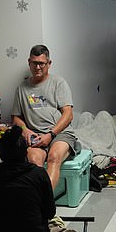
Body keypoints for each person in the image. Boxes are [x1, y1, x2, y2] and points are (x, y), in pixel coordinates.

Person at [11, 45, 78, 190]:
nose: (38, 67)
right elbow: (16, 118)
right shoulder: (22, 88)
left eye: (42, 63)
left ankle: (44, 203)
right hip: (36, 136)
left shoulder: (58, 83)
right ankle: (35, 201)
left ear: (49, 64)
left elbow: (68, 114)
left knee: (54, 157)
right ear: (29, 62)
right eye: (34, 63)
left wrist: (51, 134)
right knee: (34, 161)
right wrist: (25, 130)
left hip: (59, 134)